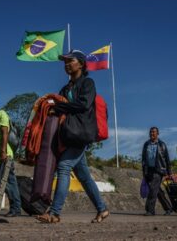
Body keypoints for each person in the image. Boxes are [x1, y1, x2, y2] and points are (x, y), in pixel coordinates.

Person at [36, 50, 109, 224]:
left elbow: (83, 104)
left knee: (64, 166)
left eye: (71, 61)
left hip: (81, 133)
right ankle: (102, 208)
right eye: (65, 62)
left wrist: (59, 108)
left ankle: (54, 213)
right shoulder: (66, 88)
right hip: (68, 134)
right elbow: (58, 104)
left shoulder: (88, 83)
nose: (67, 64)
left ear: (81, 64)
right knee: (83, 176)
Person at [142, 127, 173, 216]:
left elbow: (167, 159)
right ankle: (168, 208)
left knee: (152, 190)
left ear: (157, 134)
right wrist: (144, 171)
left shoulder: (162, 144)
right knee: (157, 191)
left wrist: (169, 172)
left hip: (158, 170)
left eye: (154, 132)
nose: (152, 134)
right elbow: (143, 159)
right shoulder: (146, 144)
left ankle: (150, 210)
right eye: (151, 132)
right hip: (148, 170)